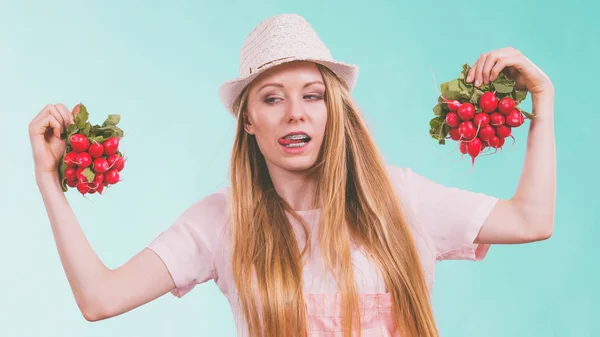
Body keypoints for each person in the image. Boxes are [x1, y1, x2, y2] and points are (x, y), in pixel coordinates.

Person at [28, 13, 555, 337]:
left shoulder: (400, 197)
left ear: (334, 112)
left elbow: (532, 219)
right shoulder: (220, 220)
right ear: (250, 122)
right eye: (272, 99)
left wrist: (542, 102)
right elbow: (100, 299)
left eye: (312, 95)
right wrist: (49, 181)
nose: (295, 113)